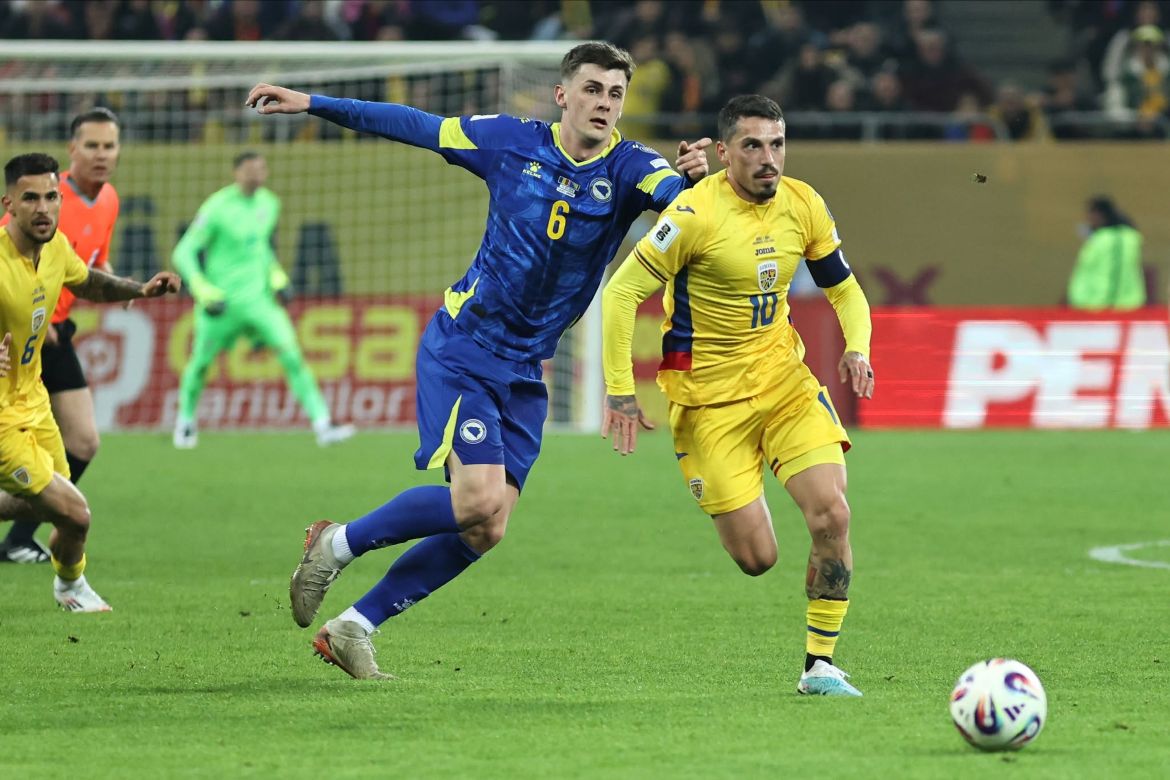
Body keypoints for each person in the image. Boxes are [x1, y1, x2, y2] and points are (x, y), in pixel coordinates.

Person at [245, 40, 711, 679]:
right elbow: (415, 125)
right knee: (474, 501)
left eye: (615, 94)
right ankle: (336, 542)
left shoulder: (631, 167)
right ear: (563, 95)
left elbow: (675, 200)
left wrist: (693, 183)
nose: (604, 103)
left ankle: (353, 625)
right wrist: (314, 104)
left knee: (487, 528)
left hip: (527, 369)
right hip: (465, 349)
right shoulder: (509, 141)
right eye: (593, 90)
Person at [600, 95, 875, 697]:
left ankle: (819, 666)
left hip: (785, 386)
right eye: (752, 145)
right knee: (758, 559)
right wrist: (621, 392)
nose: (768, 157)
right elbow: (621, 296)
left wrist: (858, 346)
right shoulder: (693, 214)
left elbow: (845, 290)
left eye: (776, 143)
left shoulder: (804, 204)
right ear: (723, 153)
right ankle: (742, 487)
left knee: (832, 513)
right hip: (708, 406)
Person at [0, 153, 180, 610]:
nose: (43, 207)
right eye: (30, 198)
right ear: (9, 204)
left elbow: (87, 282)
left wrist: (136, 290)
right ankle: (72, 588)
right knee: (76, 512)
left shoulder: (56, 247)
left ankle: (68, 584)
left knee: (66, 514)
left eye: (51, 196)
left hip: (33, 401)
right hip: (2, 419)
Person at [0, 108, 122, 565]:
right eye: (91, 145)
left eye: (109, 145)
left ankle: (22, 536)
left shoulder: (108, 199)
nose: (101, 155)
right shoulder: (44, 200)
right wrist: (37, 317)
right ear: (73, 151)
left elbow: (90, 265)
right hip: (32, 333)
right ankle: (34, 536)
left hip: (53, 333)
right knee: (75, 452)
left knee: (80, 446)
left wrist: (126, 286)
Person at [171, 151, 355, 448]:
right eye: (250, 169)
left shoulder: (270, 203)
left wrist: (277, 278)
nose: (257, 174)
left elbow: (261, 250)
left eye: (261, 168)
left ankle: (323, 425)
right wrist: (202, 290)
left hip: (260, 303)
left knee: (293, 356)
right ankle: (186, 423)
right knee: (200, 364)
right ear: (236, 172)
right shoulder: (217, 207)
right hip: (221, 304)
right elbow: (183, 252)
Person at [1068, 196, 1146, 311]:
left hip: (1104, 306)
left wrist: (1099, 303)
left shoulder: (1111, 240)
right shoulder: (1108, 238)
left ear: (1099, 214)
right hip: (1111, 305)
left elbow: (1112, 274)